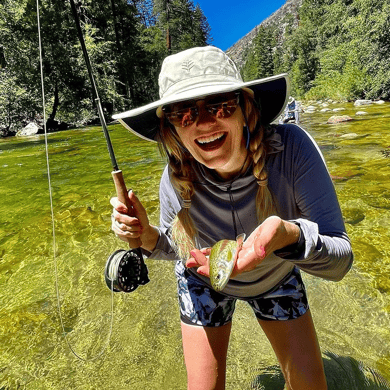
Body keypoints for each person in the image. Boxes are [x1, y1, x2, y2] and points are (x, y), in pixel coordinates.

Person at [110, 46, 353, 390]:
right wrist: (144, 232)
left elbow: (340, 260)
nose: (206, 122)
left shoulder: (292, 150)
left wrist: (288, 236)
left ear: (245, 109)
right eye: (185, 113)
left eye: (219, 104)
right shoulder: (174, 179)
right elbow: (178, 251)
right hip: (203, 282)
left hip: (276, 277)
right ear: (172, 128)